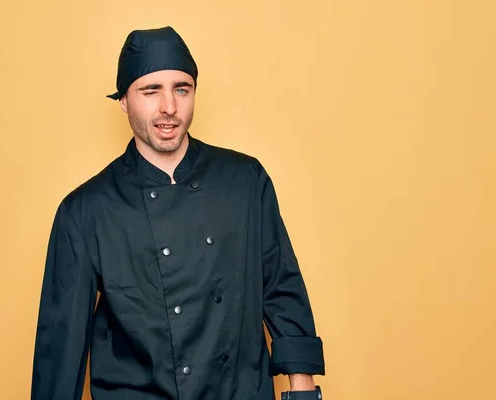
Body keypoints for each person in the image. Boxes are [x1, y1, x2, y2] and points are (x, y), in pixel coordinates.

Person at [30, 26, 325, 400]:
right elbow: (61, 344)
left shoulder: (244, 180)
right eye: (150, 91)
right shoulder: (86, 210)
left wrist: (303, 390)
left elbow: (282, 289)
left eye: (181, 89)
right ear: (123, 100)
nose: (168, 107)